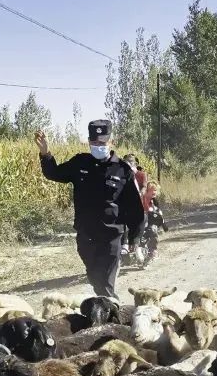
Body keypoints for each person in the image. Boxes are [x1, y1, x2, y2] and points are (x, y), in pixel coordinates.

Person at [35, 120, 144, 299]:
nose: (98, 146)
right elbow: (53, 173)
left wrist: (135, 237)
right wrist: (45, 153)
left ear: (111, 142)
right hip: (86, 236)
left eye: (102, 143)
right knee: (95, 280)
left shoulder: (122, 170)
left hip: (111, 237)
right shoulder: (80, 163)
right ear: (89, 142)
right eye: (94, 143)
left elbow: (135, 206)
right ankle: (107, 310)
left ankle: (112, 318)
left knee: (105, 285)